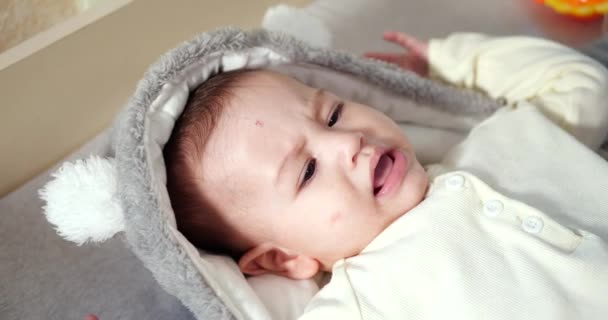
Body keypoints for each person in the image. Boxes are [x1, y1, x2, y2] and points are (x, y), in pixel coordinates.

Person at [163, 31, 608, 319]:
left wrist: (452, 67)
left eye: (333, 114)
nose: (347, 142)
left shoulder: (496, 141)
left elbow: (585, 91)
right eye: (307, 172)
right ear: (281, 259)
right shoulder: (359, 302)